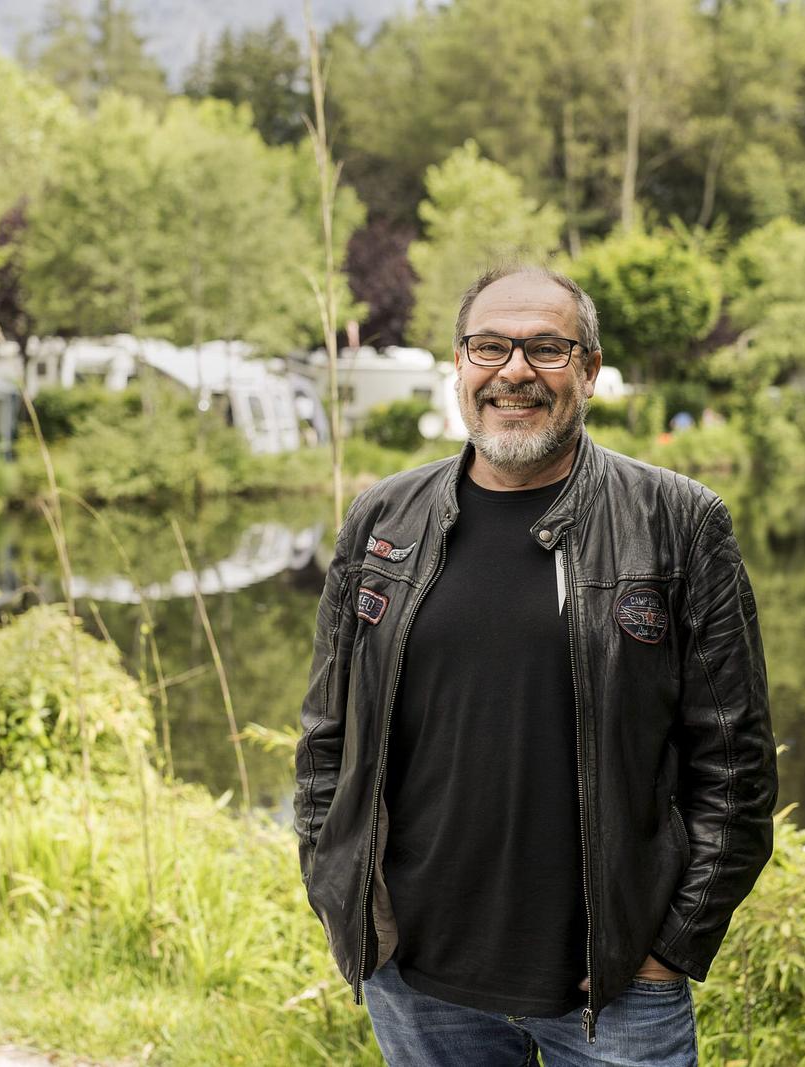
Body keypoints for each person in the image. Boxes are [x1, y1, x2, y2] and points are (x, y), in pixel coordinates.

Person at [293, 265, 778, 1066]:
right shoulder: (383, 518)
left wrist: (669, 943)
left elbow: (737, 764)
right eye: (490, 347)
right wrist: (340, 891)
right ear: (460, 364)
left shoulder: (678, 521)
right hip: (415, 979)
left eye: (546, 349)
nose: (514, 371)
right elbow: (325, 737)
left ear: (588, 370)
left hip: (619, 988)